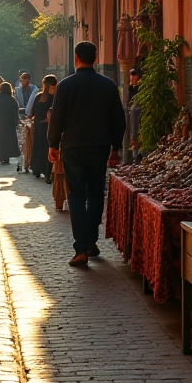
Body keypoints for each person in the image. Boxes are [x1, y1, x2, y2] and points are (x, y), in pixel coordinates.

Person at [48, 41, 125, 267]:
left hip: (73, 148)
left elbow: (57, 118)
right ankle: (91, 240)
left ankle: (81, 248)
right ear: (96, 57)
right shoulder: (107, 85)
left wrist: (53, 144)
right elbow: (118, 120)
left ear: (76, 58)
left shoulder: (65, 86)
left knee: (77, 197)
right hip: (99, 147)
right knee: (95, 194)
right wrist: (116, 147)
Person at [29, 75, 58, 183]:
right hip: (45, 126)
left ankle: (39, 169)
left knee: (40, 147)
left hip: (41, 126)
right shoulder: (53, 98)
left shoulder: (39, 97)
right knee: (44, 147)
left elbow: (32, 113)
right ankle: (45, 172)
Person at [0, 82, 21, 165]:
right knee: (7, 142)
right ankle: (5, 158)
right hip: (8, 126)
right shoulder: (12, 100)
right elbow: (15, 115)